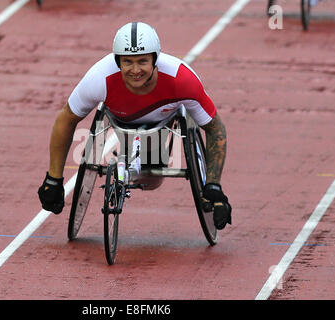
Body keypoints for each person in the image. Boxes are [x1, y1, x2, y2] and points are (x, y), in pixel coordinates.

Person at [38, 22, 231, 230]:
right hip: (120, 121)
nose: (135, 70)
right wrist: (53, 178)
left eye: (143, 61)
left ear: (155, 60)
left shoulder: (181, 79)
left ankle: (148, 161)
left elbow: (214, 128)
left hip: (162, 124)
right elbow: (67, 118)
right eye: (127, 62)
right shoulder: (99, 78)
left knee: (152, 180)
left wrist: (213, 185)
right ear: (117, 61)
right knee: (149, 177)